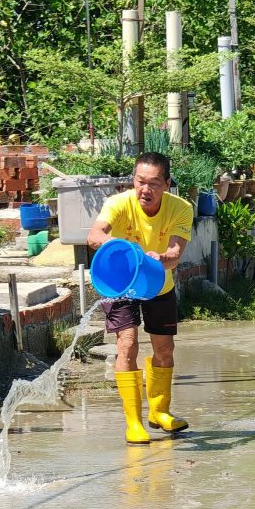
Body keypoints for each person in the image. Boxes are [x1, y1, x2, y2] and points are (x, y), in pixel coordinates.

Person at [87, 151, 194, 444]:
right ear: (133, 181)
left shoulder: (181, 208)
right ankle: (134, 422)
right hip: (119, 281)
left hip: (158, 282)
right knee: (127, 343)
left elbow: (175, 255)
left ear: (167, 184)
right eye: (140, 181)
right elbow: (94, 235)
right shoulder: (118, 204)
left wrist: (159, 257)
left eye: (155, 183)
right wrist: (126, 249)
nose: (146, 190)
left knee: (164, 349)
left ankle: (159, 411)